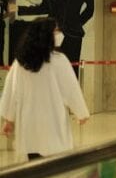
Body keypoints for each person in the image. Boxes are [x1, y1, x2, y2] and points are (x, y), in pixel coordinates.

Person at [0, 18, 89, 162]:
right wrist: (81, 112)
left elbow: (11, 92)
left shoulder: (21, 62)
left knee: (33, 167)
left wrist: (8, 119)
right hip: (53, 127)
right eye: (56, 31)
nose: (59, 34)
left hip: (30, 128)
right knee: (54, 169)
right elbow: (71, 89)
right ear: (47, 36)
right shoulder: (59, 61)